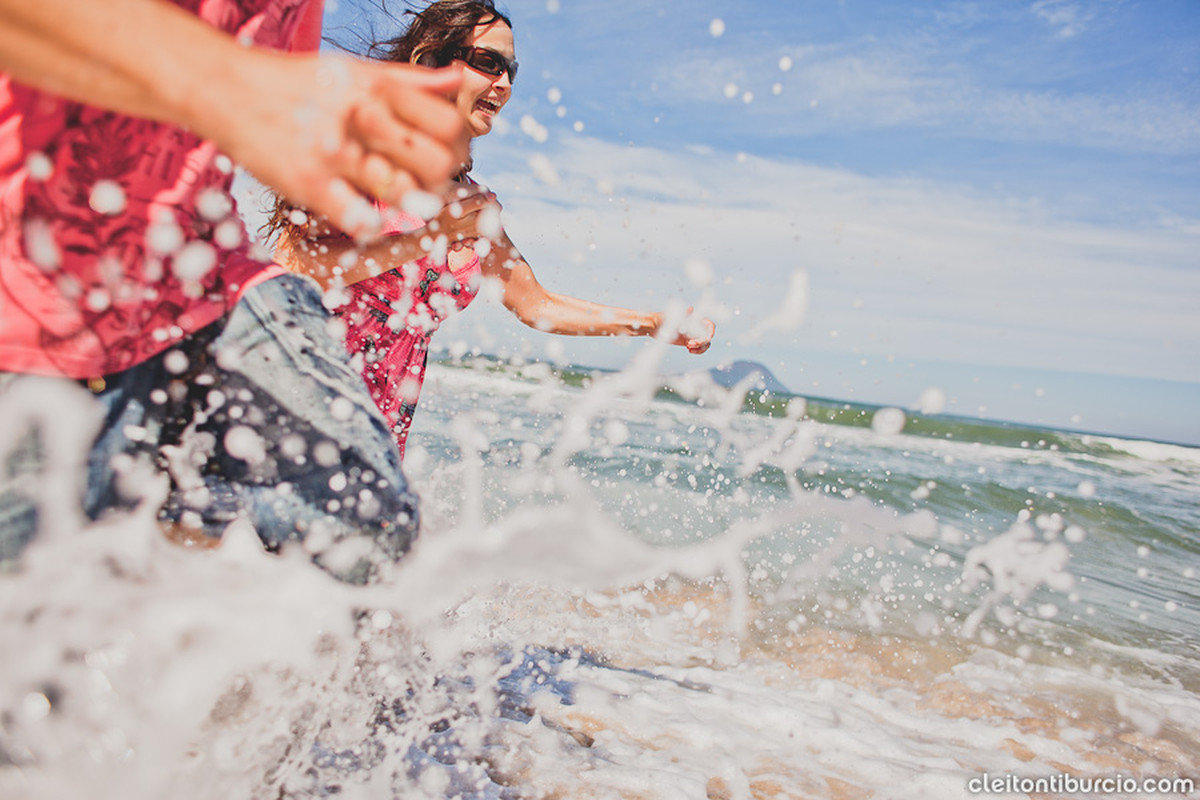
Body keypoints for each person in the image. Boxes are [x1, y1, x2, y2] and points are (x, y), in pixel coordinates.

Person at [0, 0, 471, 581]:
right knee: (37, 621)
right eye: (485, 60)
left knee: (367, 531)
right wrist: (228, 78)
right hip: (33, 293)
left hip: (213, 290)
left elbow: (257, 133)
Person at [270, 0, 716, 457]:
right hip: (285, 404)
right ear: (430, 62)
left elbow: (536, 305)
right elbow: (293, 267)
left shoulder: (472, 206)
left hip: (372, 445)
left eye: (511, 71)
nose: (503, 84)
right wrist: (428, 239)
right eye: (488, 63)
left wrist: (652, 323)